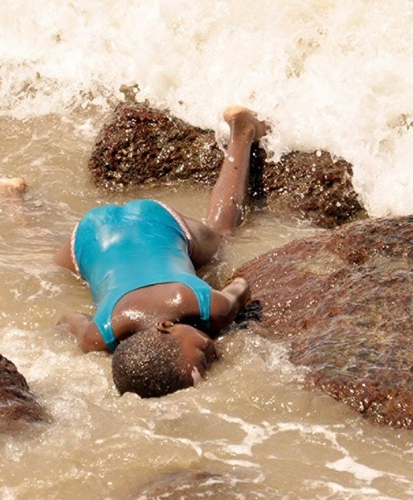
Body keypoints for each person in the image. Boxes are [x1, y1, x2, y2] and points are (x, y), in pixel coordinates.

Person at [54, 106, 268, 398]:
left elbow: (241, 287)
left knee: (222, 233)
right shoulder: (98, 336)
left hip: (155, 222)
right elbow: (68, 319)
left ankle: (242, 133)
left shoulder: (208, 306)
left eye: (203, 354)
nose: (212, 350)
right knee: (49, 256)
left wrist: (221, 318)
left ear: (165, 326)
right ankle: (15, 202)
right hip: (88, 236)